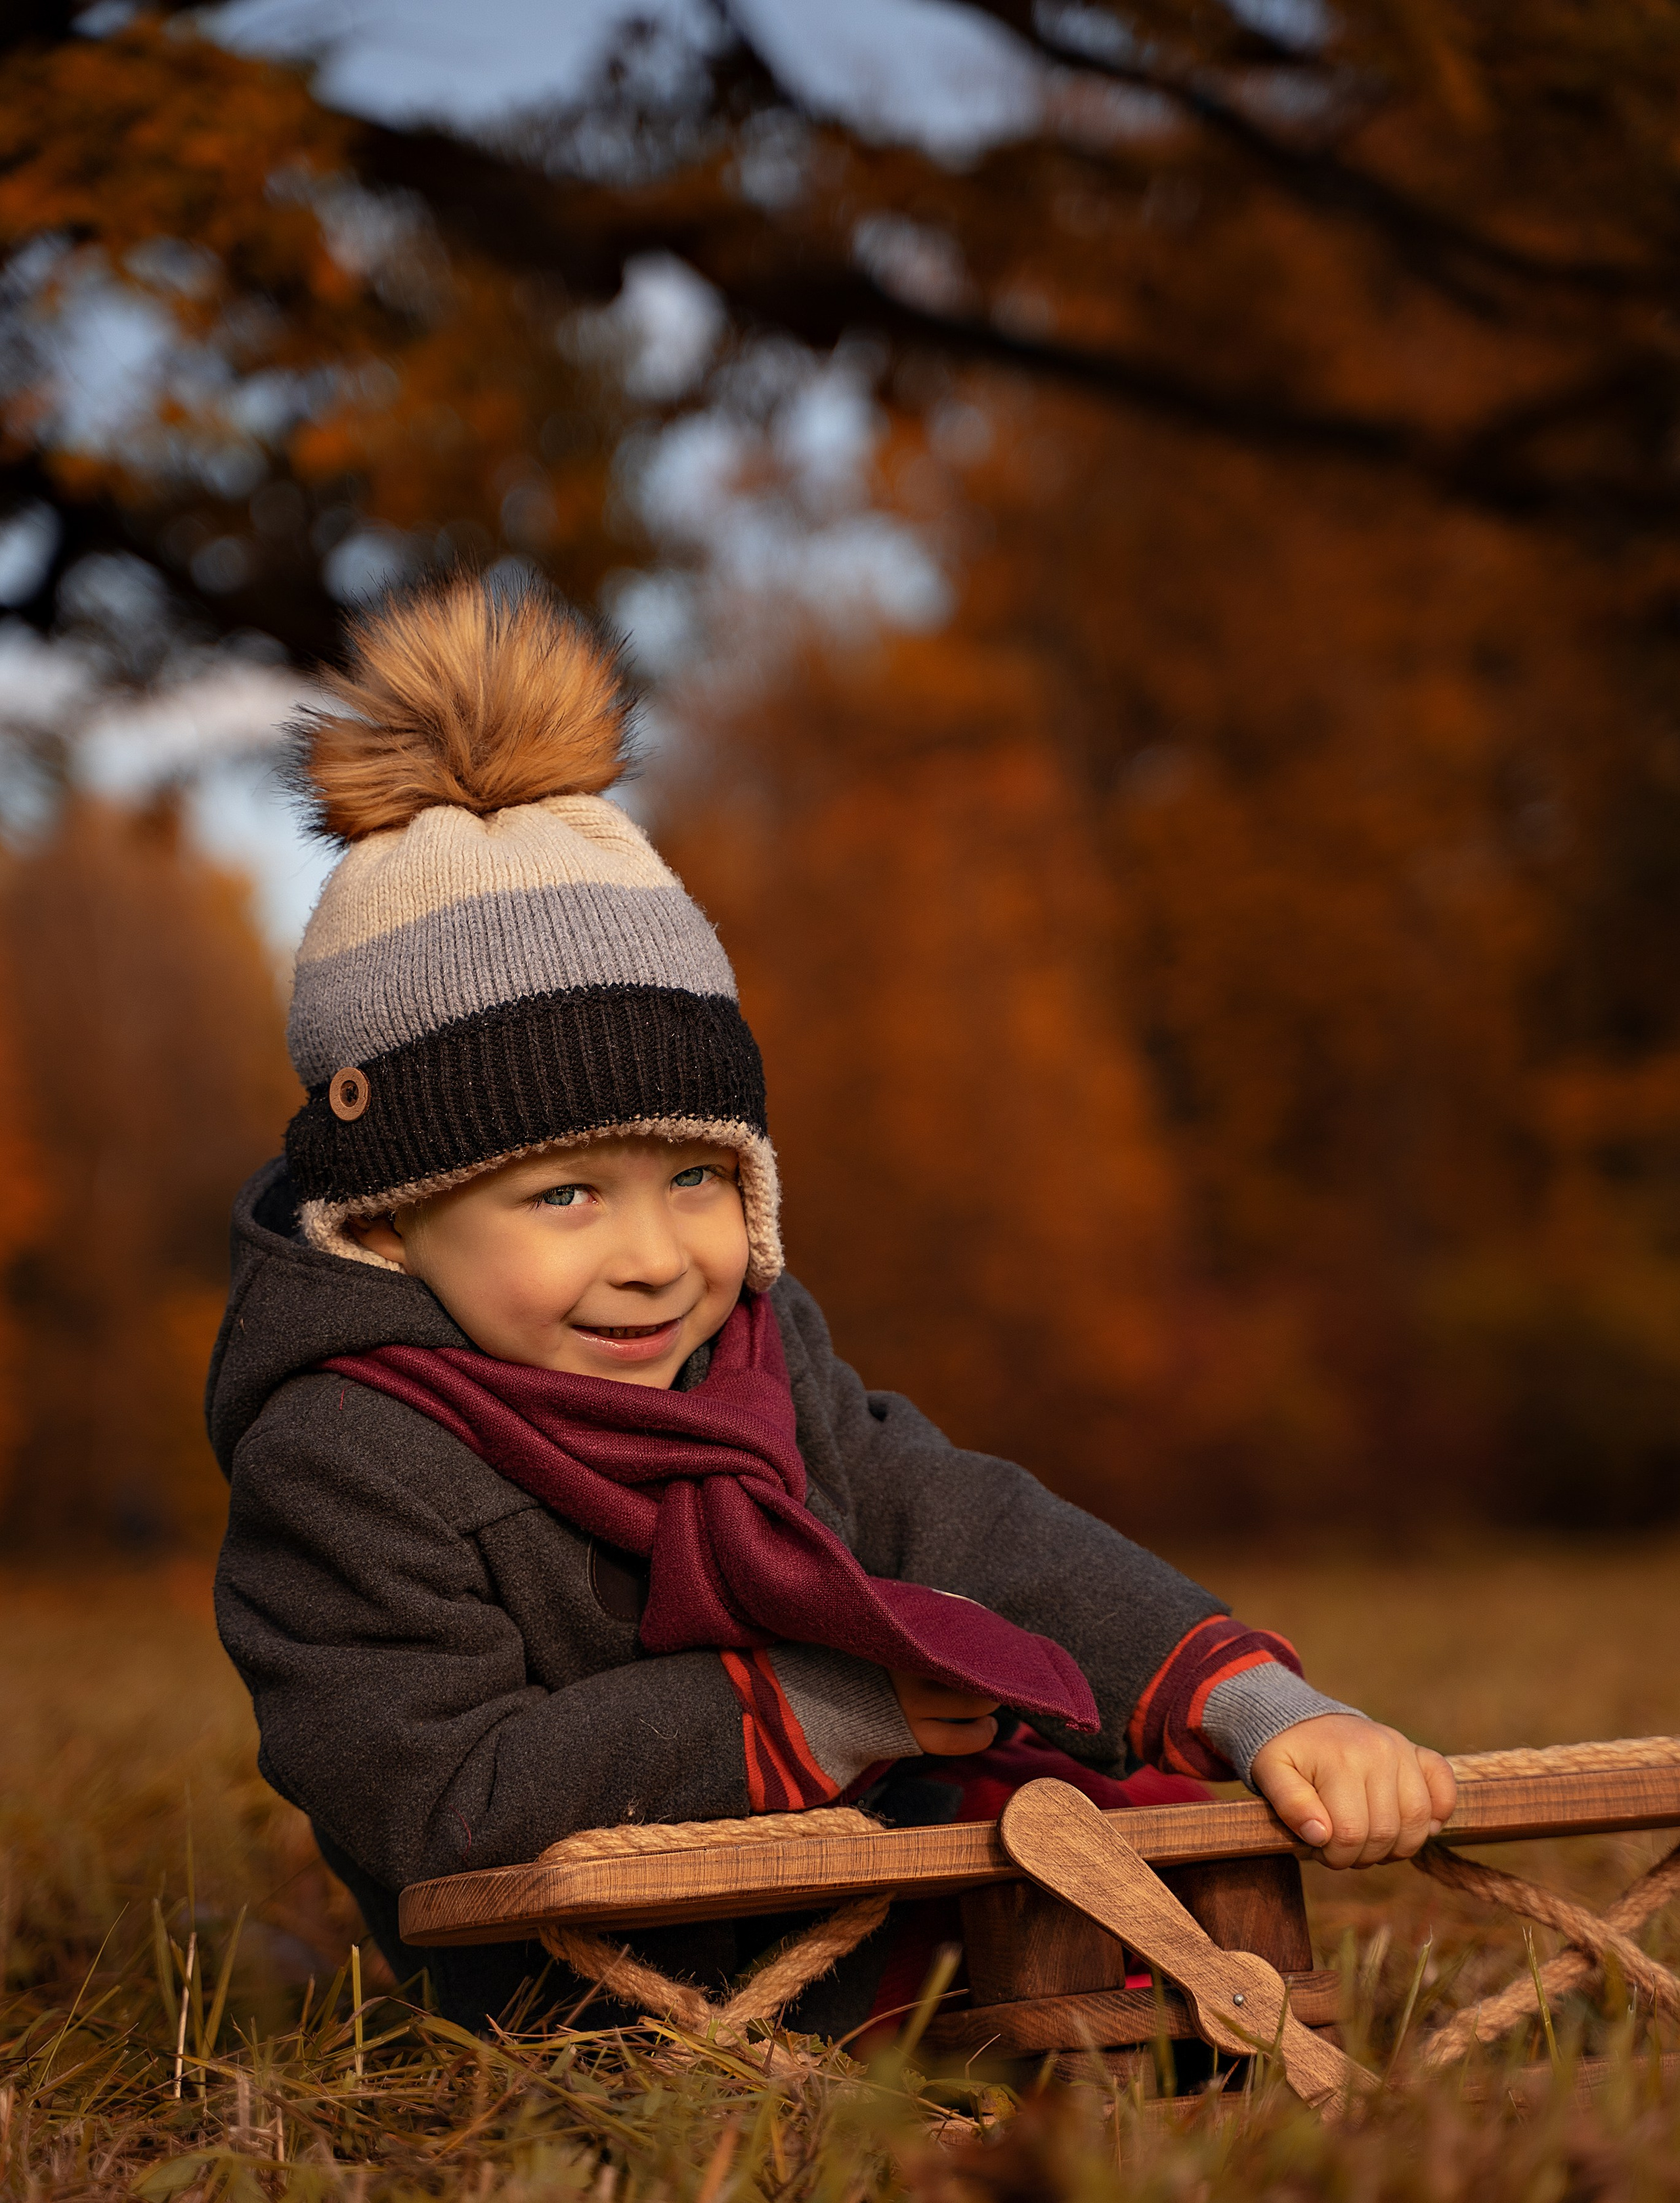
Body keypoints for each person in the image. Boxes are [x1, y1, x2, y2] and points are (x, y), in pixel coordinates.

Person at [208, 574, 1455, 2033]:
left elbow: (963, 1525)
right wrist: (809, 1707)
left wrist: (1251, 1702)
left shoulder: (750, 1357)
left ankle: (1160, 2004)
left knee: (1137, 1829)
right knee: (1028, 1877)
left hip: (853, 1871)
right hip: (607, 1988)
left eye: (695, 1177)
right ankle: (1057, 1994)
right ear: (387, 1222)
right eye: (565, 1196)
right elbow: (436, 1803)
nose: (655, 1257)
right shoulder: (344, 1459)